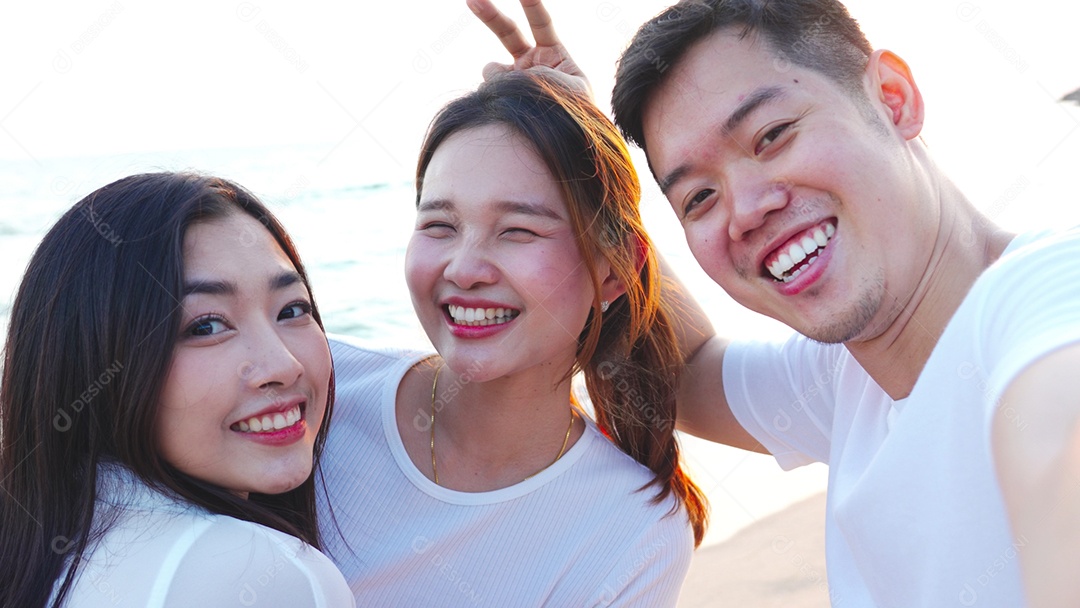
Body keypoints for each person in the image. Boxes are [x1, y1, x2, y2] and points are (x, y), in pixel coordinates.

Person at [469, 0, 1080, 606]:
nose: (745, 208)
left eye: (772, 136)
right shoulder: (848, 380)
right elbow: (685, 373)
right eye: (700, 197)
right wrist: (582, 156)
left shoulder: (1042, 299)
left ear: (893, 100)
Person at [318, 72, 707, 606]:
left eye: (518, 230)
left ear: (616, 272)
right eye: (439, 226)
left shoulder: (630, 532)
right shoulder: (317, 391)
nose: (466, 267)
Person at [0, 172, 354, 608]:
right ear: (94, 358)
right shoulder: (265, 575)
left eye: (292, 309)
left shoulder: (37, 543)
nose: (284, 365)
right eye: (206, 326)